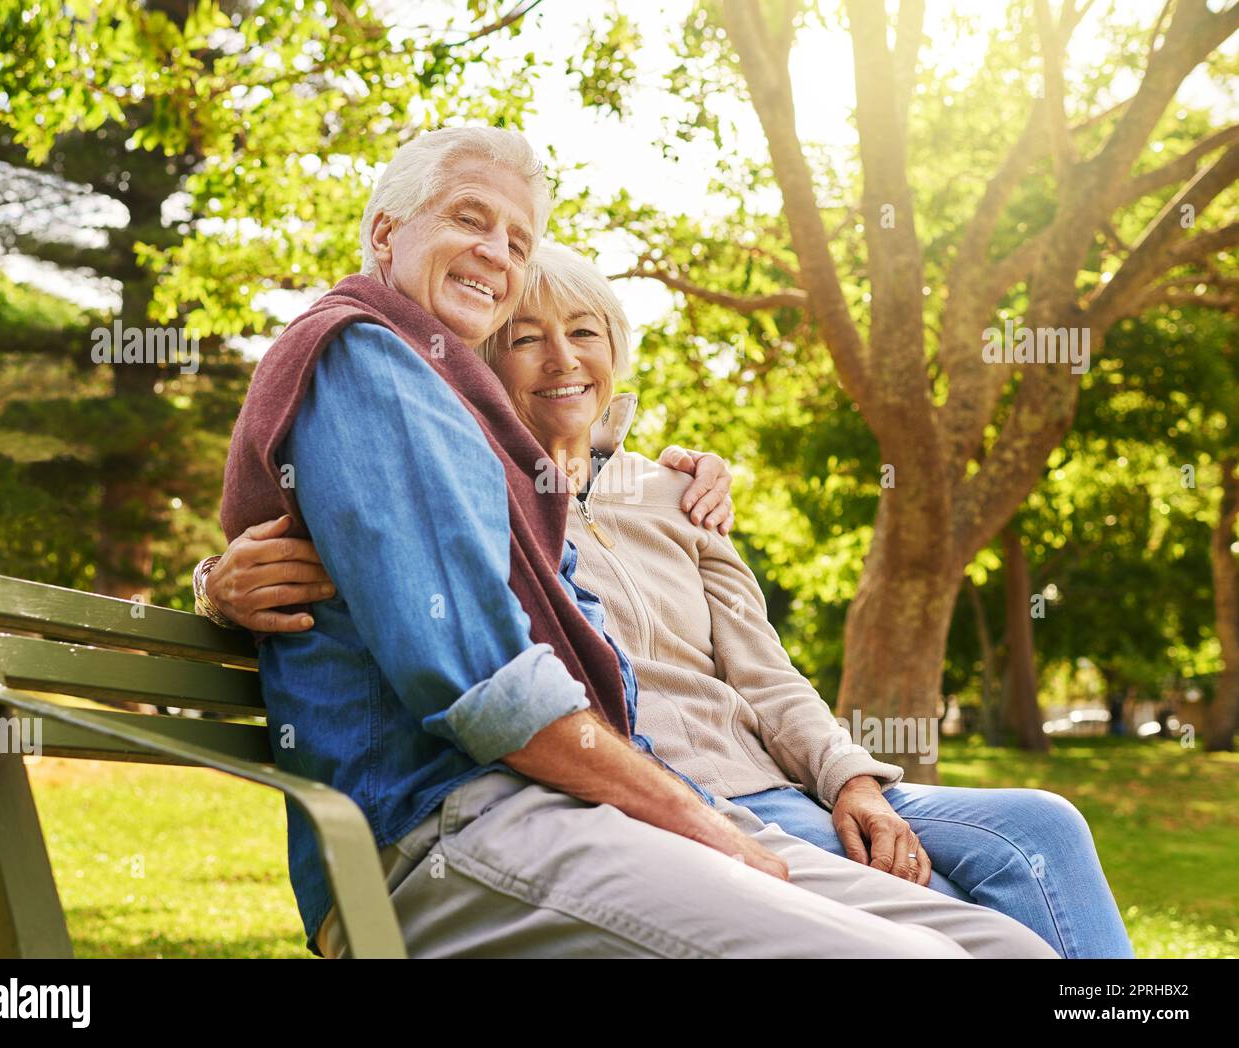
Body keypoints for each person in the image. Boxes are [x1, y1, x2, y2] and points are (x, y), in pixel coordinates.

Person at [211, 125, 1057, 959]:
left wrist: (774, 797)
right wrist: (699, 823)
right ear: (386, 233)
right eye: (470, 219)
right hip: (446, 828)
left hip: (585, 801)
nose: (497, 254)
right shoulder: (367, 357)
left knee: (1002, 948)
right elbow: (488, 691)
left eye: (518, 239)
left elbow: (723, 665)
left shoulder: (498, 436)